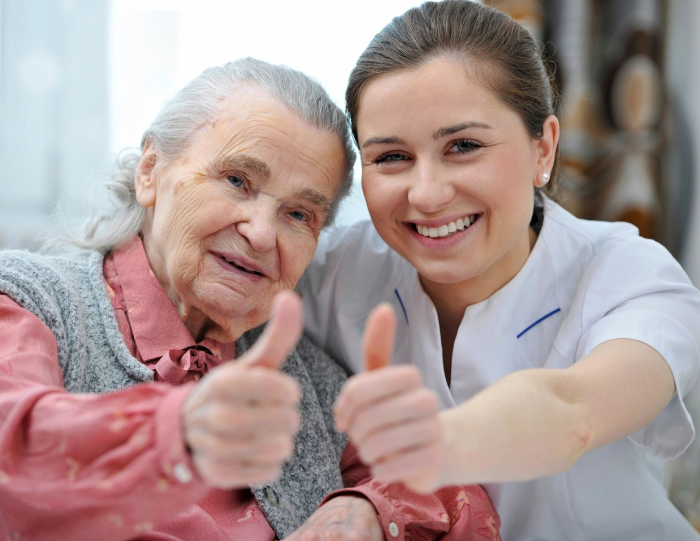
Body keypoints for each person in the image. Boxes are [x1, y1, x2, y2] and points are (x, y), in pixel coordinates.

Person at [0, 58, 500, 540]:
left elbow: (455, 494)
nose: (262, 234)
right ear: (150, 171)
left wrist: (364, 511)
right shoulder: (29, 303)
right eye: (238, 181)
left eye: (299, 214)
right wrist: (182, 431)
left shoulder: (307, 380)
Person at [297, 2, 700, 540]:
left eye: (463, 146)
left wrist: (418, 462)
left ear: (544, 148)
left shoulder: (629, 276)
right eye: (391, 157)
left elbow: (572, 413)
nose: (427, 194)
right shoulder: (333, 271)